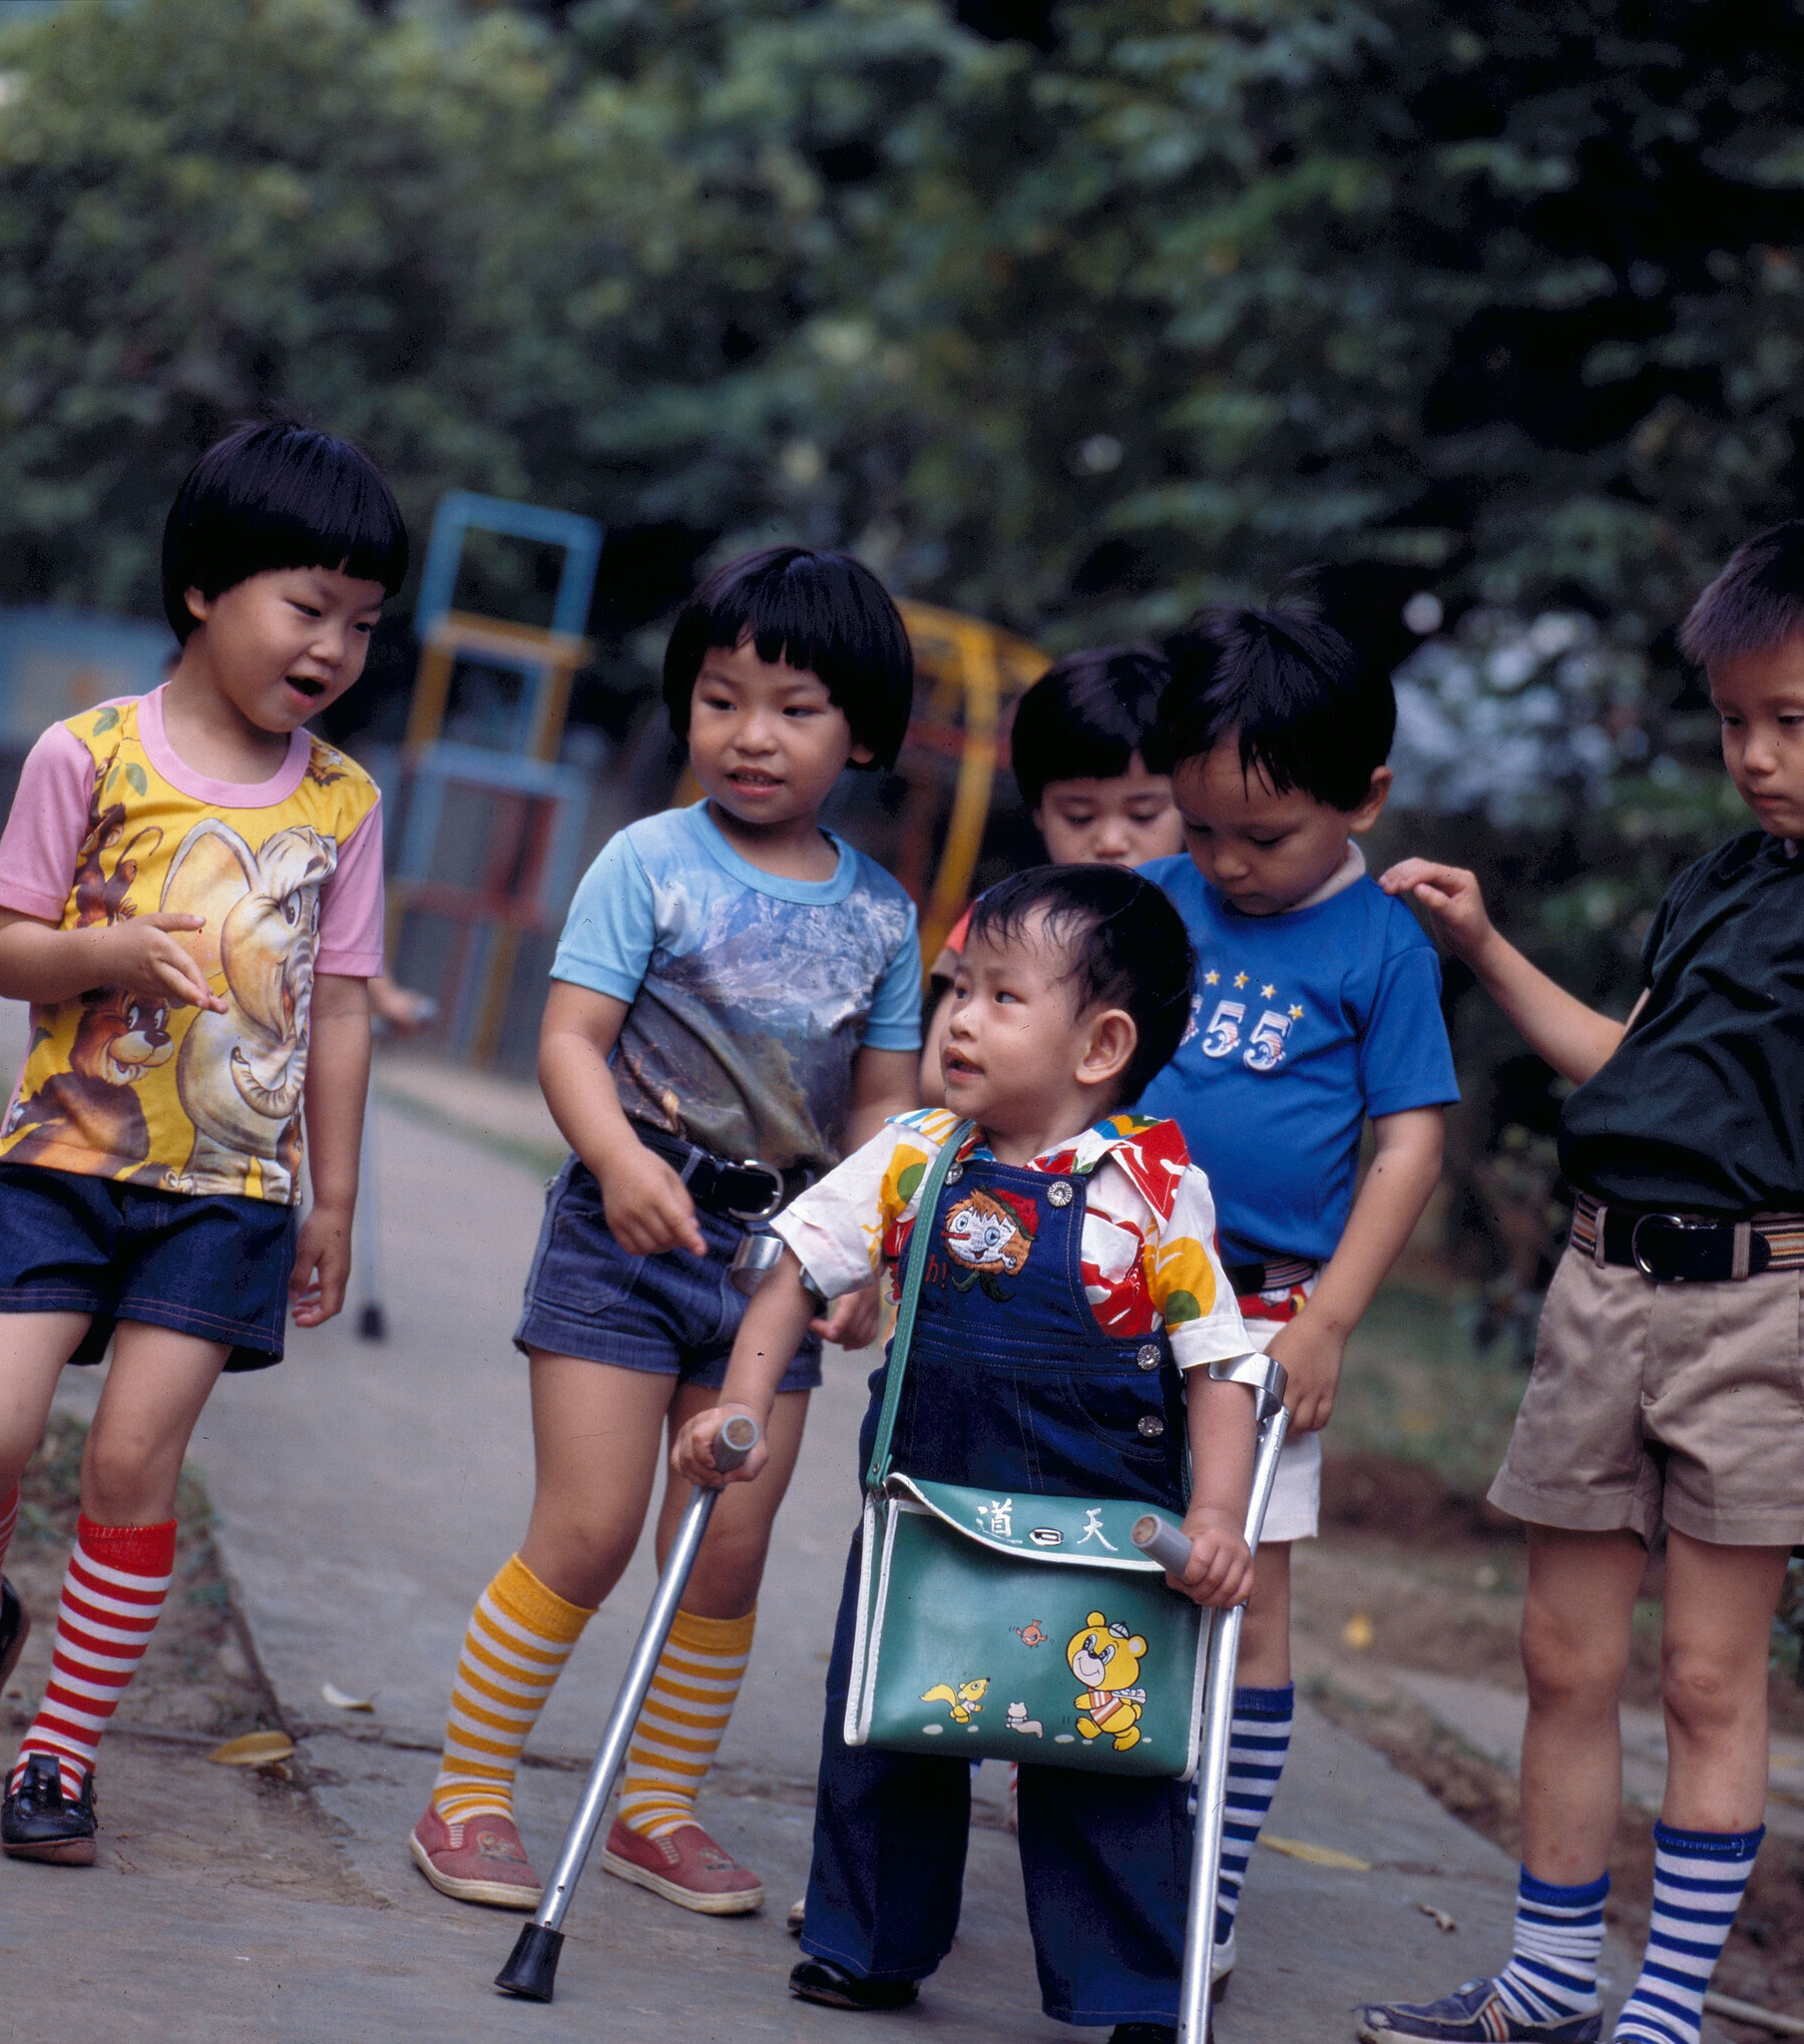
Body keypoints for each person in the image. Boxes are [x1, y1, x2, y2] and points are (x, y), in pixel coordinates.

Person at [1361, 517, 1804, 2044]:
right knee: (1560, 1658)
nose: (1754, 756)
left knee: (1710, 1684)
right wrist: (1484, 943)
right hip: (1603, 1297)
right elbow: (1625, 1065)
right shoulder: (1720, 879)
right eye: (1730, 722)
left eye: (1791, 718)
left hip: (1766, 1317)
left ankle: (1667, 2012)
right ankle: (1545, 1983)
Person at [411, 546, 922, 1919]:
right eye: (721, 698)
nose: (751, 734)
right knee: (586, 1528)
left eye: (795, 708)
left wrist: (870, 1249)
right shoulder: (646, 860)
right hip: (624, 1238)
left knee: (722, 1547)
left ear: (862, 730)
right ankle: (466, 1791)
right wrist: (620, 1157)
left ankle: (656, 1810)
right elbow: (569, 1040)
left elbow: (884, 1105)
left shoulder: (884, 914)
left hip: (780, 1266)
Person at [676, 862, 1259, 2044]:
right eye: (959, 990)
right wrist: (742, 1405)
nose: (959, 1019)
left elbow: (1217, 1364)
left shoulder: (1153, 1194)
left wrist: (1216, 1514)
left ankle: (1133, 1982)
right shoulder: (914, 1155)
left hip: (1100, 1528)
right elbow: (795, 1267)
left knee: (1102, 1744)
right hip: (928, 1504)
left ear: (1100, 1043)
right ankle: (866, 1941)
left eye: (1002, 996)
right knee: (887, 1724)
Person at [0, 420, 403, 1860]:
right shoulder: (84, 753)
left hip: (228, 1197)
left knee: (132, 1465)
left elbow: (343, 1009)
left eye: (363, 623)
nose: (334, 646)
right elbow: (5, 951)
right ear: (205, 588)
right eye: (308, 606)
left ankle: (59, 1758)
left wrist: (334, 1199)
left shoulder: (345, 802)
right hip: (64, 1167)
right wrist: (106, 947)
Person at [1134, 605, 1457, 1982]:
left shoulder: (1382, 947)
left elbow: (1410, 1145)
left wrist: (1327, 1322)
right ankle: (1103, 1851)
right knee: (1099, 1560)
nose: (1226, 863)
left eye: (1262, 837)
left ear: (1362, 799)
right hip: (1109, 1295)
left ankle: (1205, 1885)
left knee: (1245, 1600)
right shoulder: (1151, 902)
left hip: (1265, 1321)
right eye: (1202, 828)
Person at [920, 646, 1183, 1104]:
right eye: (1079, 816)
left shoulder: (1212, 915)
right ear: (1038, 812)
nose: (1111, 841)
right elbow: (934, 1079)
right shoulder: (1004, 918)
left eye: (1143, 814)